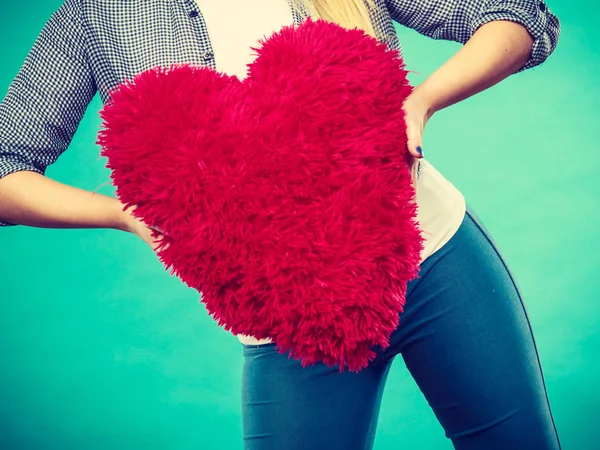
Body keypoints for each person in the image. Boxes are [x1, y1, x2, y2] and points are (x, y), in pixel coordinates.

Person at [0, 0, 561, 449]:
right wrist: (126, 216)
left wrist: (420, 102)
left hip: (438, 262)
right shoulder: (95, 15)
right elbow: (7, 169)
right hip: (288, 317)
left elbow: (517, 19)